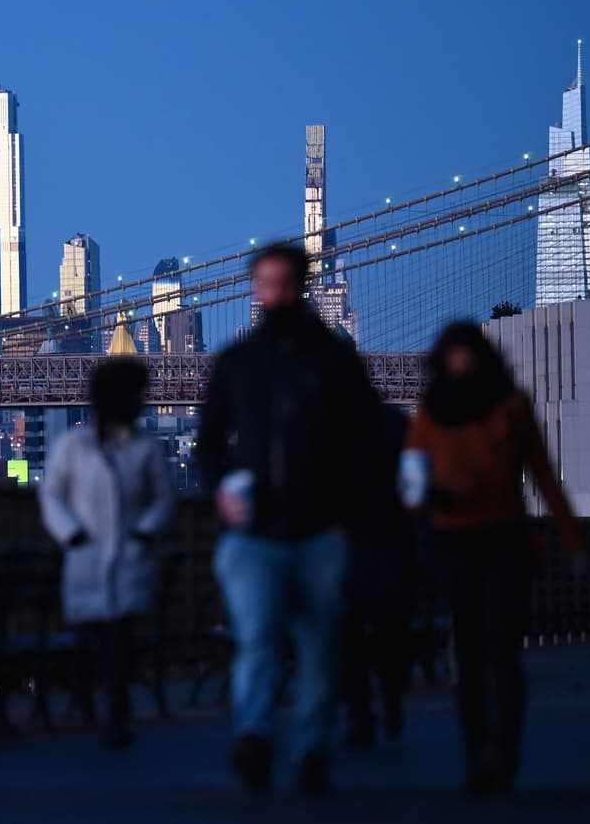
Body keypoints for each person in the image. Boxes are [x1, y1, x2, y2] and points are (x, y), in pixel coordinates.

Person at [196, 242, 381, 796]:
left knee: (320, 647)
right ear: (255, 289)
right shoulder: (236, 363)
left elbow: (367, 441)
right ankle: (254, 736)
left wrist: (347, 516)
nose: (272, 294)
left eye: (282, 283)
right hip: (253, 534)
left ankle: (311, 749)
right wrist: (220, 490)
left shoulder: (335, 360)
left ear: (302, 286)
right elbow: (207, 444)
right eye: (264, 284)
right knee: (257, 639)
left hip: (322, 530)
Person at [402, 321, 585, 797]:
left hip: (505, 542)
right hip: (454, 544)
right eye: (454, 354)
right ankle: (476, 755)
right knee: (469, 654)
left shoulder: (512, 406)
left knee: (502, 654)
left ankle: (503, 752)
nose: (462, 363)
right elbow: (410, 483)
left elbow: (544, 475)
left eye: (469, 354)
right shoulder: (430, 414)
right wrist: (430, 502)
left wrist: (573, 540)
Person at [39, 357, 175, 749]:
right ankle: (93, 707)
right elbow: (52, 496)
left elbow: (163, 499)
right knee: (92, 641)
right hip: (86, 560)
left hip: (129, 559)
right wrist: (72, 534)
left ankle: (114, 714)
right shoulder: (72, 446)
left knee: (120, 641)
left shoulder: (145, 449)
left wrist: (144, 534)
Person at [342, 404, 416, 749]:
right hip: (393, 540)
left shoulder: (323, 421)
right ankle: (390, 699)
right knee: (392, 630)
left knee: (347, 632)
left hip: (345, 542)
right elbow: (416, 484)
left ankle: (360, 712)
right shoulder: (395, 423)